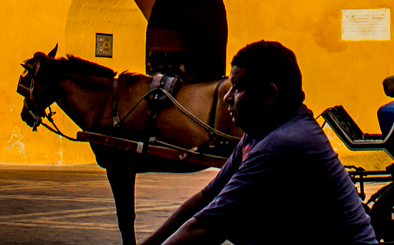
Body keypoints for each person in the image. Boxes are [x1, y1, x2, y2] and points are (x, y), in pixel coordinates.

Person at [140, 40, 378, 245]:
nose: (227, 97)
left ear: (269, 95)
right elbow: (206, 197)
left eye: (238, 87)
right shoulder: (259, 133)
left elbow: (207, 228)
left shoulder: (282, 145)